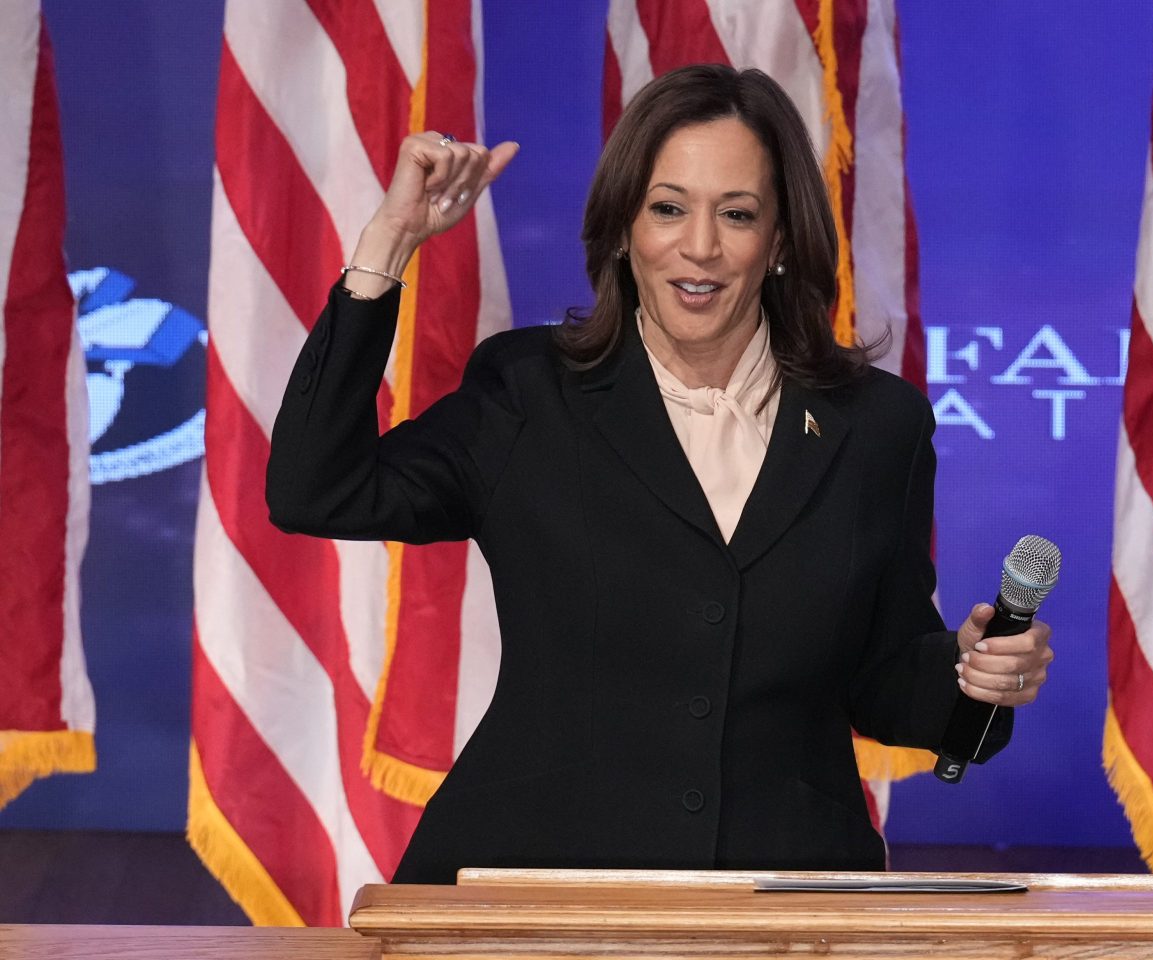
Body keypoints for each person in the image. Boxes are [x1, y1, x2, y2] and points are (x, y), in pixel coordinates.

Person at [266, 64, 1053, 883]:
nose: (699, 247)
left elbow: (883, 680)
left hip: (781, 900)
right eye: (667, 208)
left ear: (781, 241)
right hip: (535, 888)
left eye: (737, 214)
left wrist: (974, 672)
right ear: (621, 230)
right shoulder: (527, 393)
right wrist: (389, 244)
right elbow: (316, 490)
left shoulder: (879, 426)